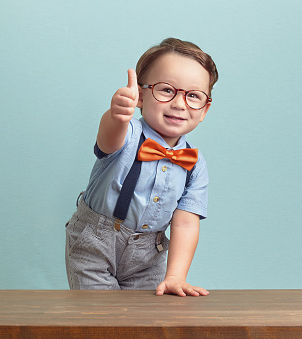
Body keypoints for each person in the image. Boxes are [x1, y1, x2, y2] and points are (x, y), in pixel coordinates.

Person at [65, 38, 218, 297]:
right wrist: (116, 115)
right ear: (140, 94)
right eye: (166, 90)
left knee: (146, 322)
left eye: (193, 96)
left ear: (204, 109)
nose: (179, 104)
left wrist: (175, 276)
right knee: (101, 320)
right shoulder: (128, 132)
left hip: (149, 256)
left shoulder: (194, 163)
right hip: (95, 244)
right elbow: (108, 138)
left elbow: (185, 224)